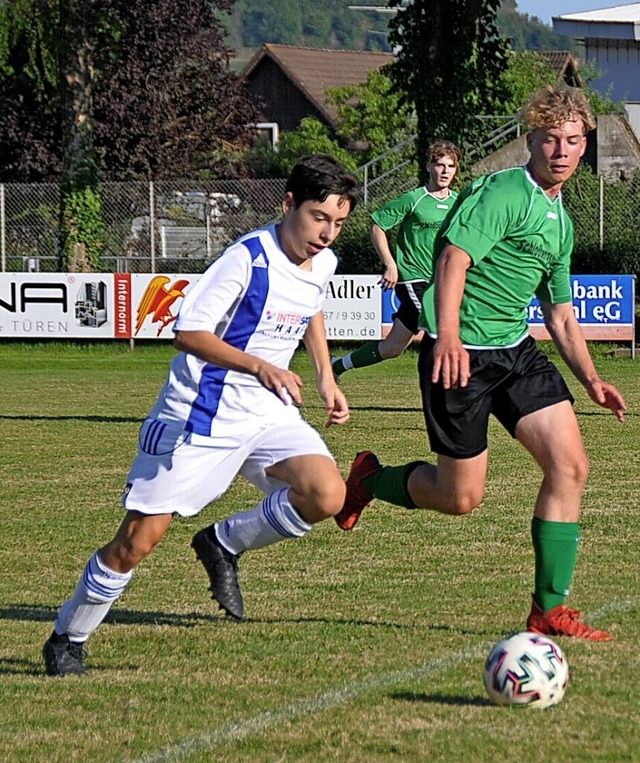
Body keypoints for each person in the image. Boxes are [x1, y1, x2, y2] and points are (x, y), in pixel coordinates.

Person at [43, 154, 360, 676]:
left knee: (327, 493)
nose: (327, 234)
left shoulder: (321, 261)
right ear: (288, 204)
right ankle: (68, 637)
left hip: (266, 412)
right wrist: (258, 364)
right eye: (319, 218)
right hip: (200, 414)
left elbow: (312, 307)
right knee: (136, 543)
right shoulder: (247, 259)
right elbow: (188, 331)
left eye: (339, 223)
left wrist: (325, 373)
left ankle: (222, 543)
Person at [334, 86, 627, 641]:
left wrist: (591, 379)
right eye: (550, 140)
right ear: (532, 142)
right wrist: (446, 335)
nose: (561, 151)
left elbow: (560, 314)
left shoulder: (560, 221)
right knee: (459, 497)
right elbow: (453, 257)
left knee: (571, 467)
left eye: (572, 141)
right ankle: (370, 480)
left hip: (515, 352)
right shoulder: (506, 192)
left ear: (584, 147)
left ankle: (548, 610)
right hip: (459, 353)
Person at [331, 141, 461, 379]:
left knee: (392, 348)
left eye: (450, 166)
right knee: (439, 326)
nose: (445, 171)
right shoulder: (414, 199)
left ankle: (337, 365)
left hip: (440, 280)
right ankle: (446, 390)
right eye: (440, 165)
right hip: (413, 278)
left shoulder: (458, 203)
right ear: (429, 166)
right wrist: (391, 265)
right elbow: (377, 225)